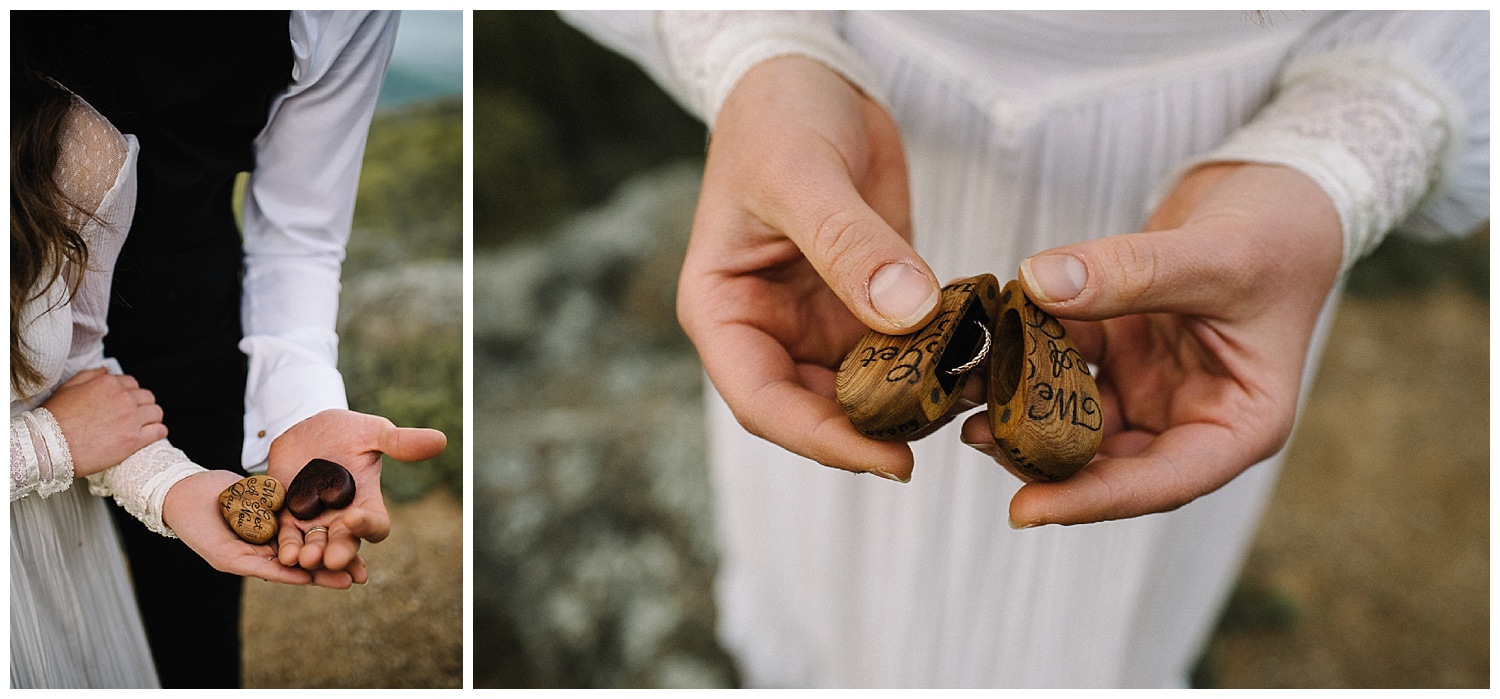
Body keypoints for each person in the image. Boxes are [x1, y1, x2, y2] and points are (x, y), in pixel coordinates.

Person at [563, 11, 1488, 686]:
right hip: (835, 165)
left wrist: (1339, 161)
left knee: (1092, 619)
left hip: (1229, 238)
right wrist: (758, 53)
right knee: (830, 591)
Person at [13, 11, 447, 687]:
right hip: (30, 276)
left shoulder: (345, 14)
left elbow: (301, 231)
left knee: (194, 628)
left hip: (175, 311)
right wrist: (47, 443)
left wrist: (300, 410)